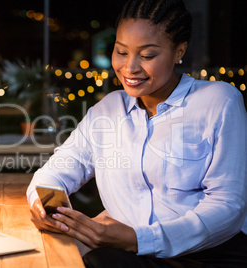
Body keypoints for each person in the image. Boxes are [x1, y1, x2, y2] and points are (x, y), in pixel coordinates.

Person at [26, 0, 247, 267]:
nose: (130, 68)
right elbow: (55, 172)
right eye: (121, 52)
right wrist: (43, 204)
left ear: (179, 51)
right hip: (128, 254)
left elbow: (229, 206)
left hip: (209, 256)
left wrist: (138, 239)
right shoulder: (107, 111)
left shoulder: (219, 101)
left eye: (147, 55)